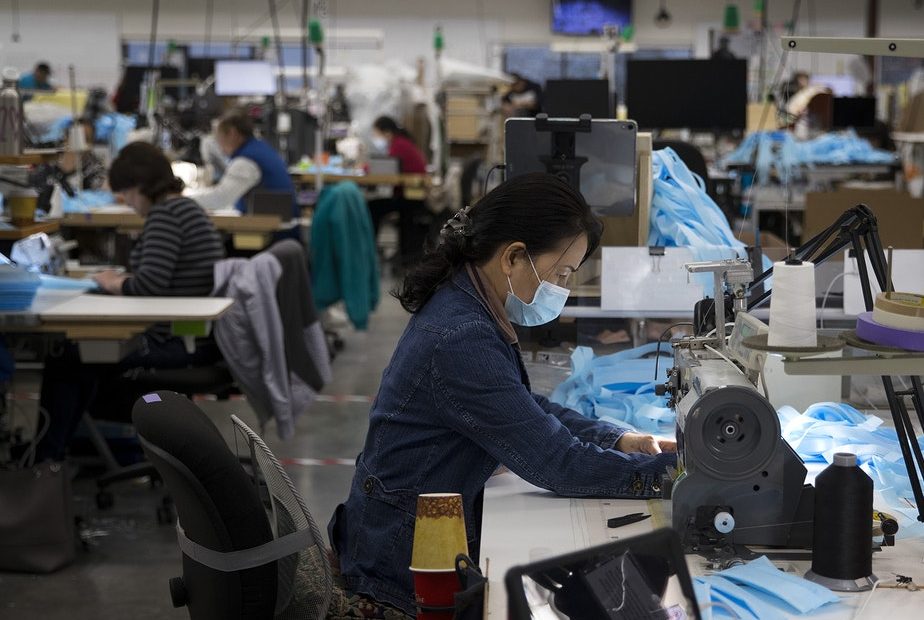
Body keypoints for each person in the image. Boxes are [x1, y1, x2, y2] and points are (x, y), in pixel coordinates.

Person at [328, 173, 677, 617]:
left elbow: (520, 406)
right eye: (561, 273)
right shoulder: (461, 337)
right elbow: (555, 462)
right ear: (514, 257)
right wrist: (676, 473)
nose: (564, 289)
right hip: (396, 572)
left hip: (399, 538)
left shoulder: (467, 301)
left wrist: (619, 440)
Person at [35, 143, 225, 462]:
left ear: (140, 187)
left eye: (127, 194)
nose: (129, 204)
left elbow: (148, 285)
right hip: (191, 335)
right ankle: (63, 452)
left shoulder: (165, 215)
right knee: (80, 358)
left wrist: (111, 282)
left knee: (67, 356)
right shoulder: (186, 209)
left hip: (173, 340)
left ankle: (45, 460)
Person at [192, 111, 300, 228]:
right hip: (279, 228)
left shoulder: (246, 161)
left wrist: (179, 201)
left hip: (273, 234)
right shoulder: (260, 148)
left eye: (219, 138)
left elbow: (220, 199)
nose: (219, 146)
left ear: (232, 133)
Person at [367, 116, 429, 267]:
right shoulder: (401, 142)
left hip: (411, 198)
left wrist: (365, 169)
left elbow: (385, 170)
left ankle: (368, 251)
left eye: (376, 133)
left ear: (387, 132)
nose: (375, 137)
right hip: (409, 195)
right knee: (375, 204)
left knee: (373, 207)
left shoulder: (399, 145)